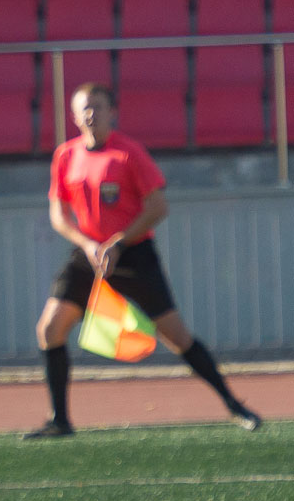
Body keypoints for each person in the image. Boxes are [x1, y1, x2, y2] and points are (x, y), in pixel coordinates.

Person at [26, 82, 262, 438]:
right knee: (50, 329)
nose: (90, 114)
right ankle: (60, 420)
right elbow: (58, 215)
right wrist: (88, 244)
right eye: (84, 108)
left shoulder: (129, 153)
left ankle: (234, 405)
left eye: (98, 107)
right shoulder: (65, 155)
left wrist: (119, 242)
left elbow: (157, 207)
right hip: (90, 253)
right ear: (73, 116)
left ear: (112, 112)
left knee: (176, 337)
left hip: (133, 253)